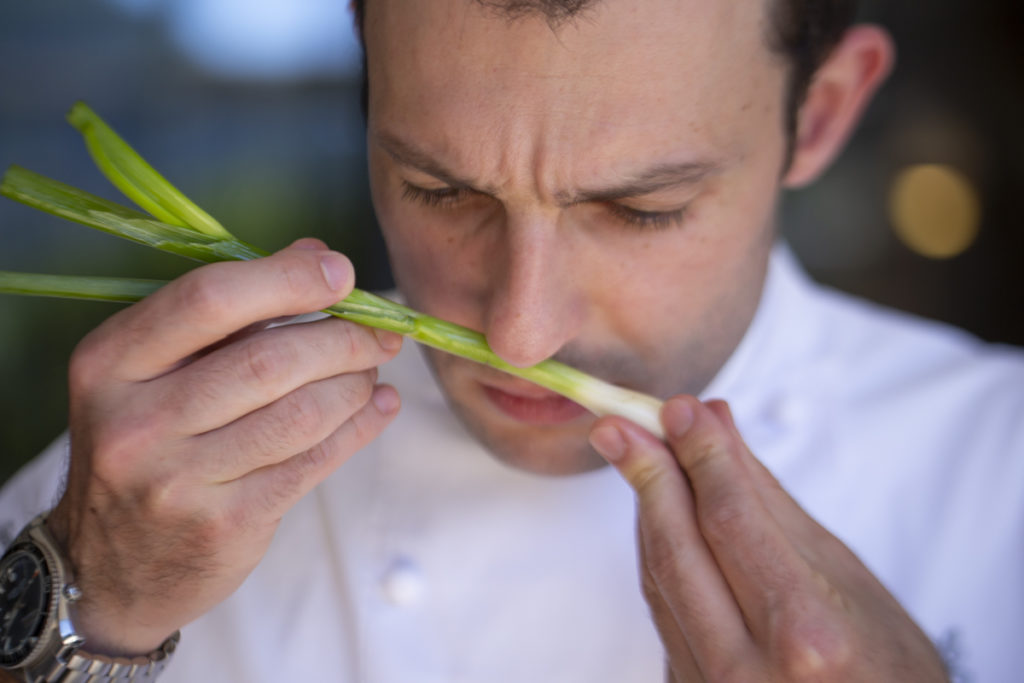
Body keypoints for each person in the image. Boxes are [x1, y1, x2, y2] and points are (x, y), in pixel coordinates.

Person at [1, 0, 1021, 681]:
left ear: (823, 113)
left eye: (641, 207)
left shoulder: (999, 469)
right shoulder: (134, 488)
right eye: (439, 190)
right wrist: (88, 607)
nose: (520, 334)